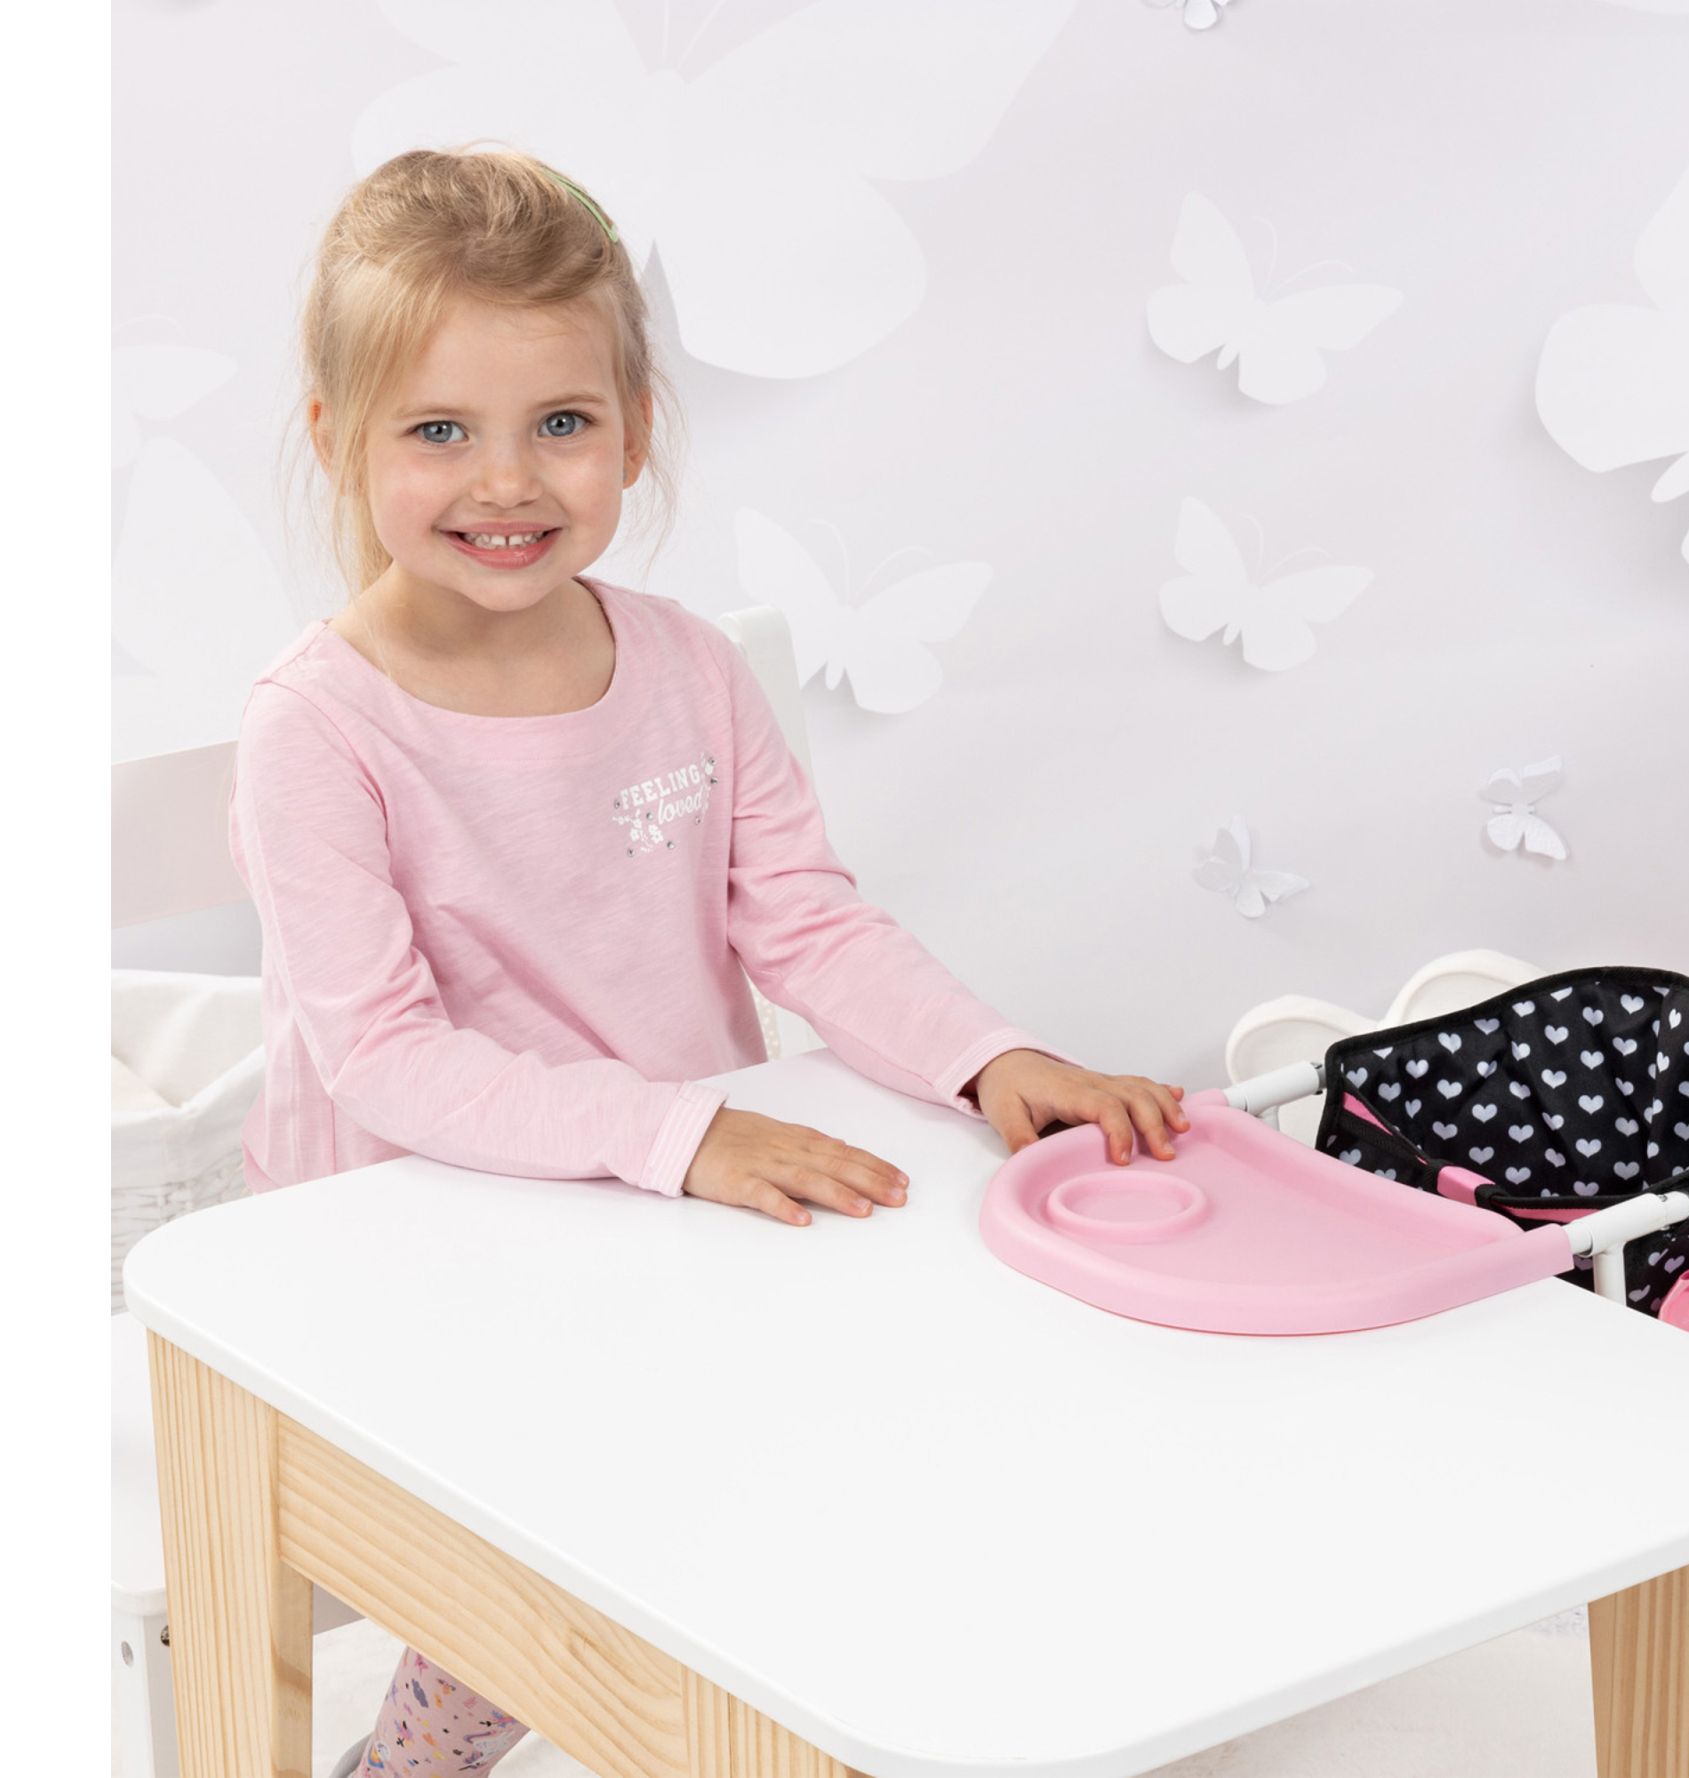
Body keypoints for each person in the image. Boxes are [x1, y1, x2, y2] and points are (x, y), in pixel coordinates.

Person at [230, 146, 1190, 1774]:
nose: (506, 480)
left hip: (668, 1205)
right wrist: (682, 1134)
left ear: (635, 426)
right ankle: (420, 1754)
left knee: (915, 1391)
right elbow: (385, 1058)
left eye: (560, 422)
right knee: (567, 1521)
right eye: (439, 430)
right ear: (338, 438)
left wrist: (987, 1055)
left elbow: (806, 918)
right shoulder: (316, 727)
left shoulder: (685, 667)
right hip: (416, 1235)